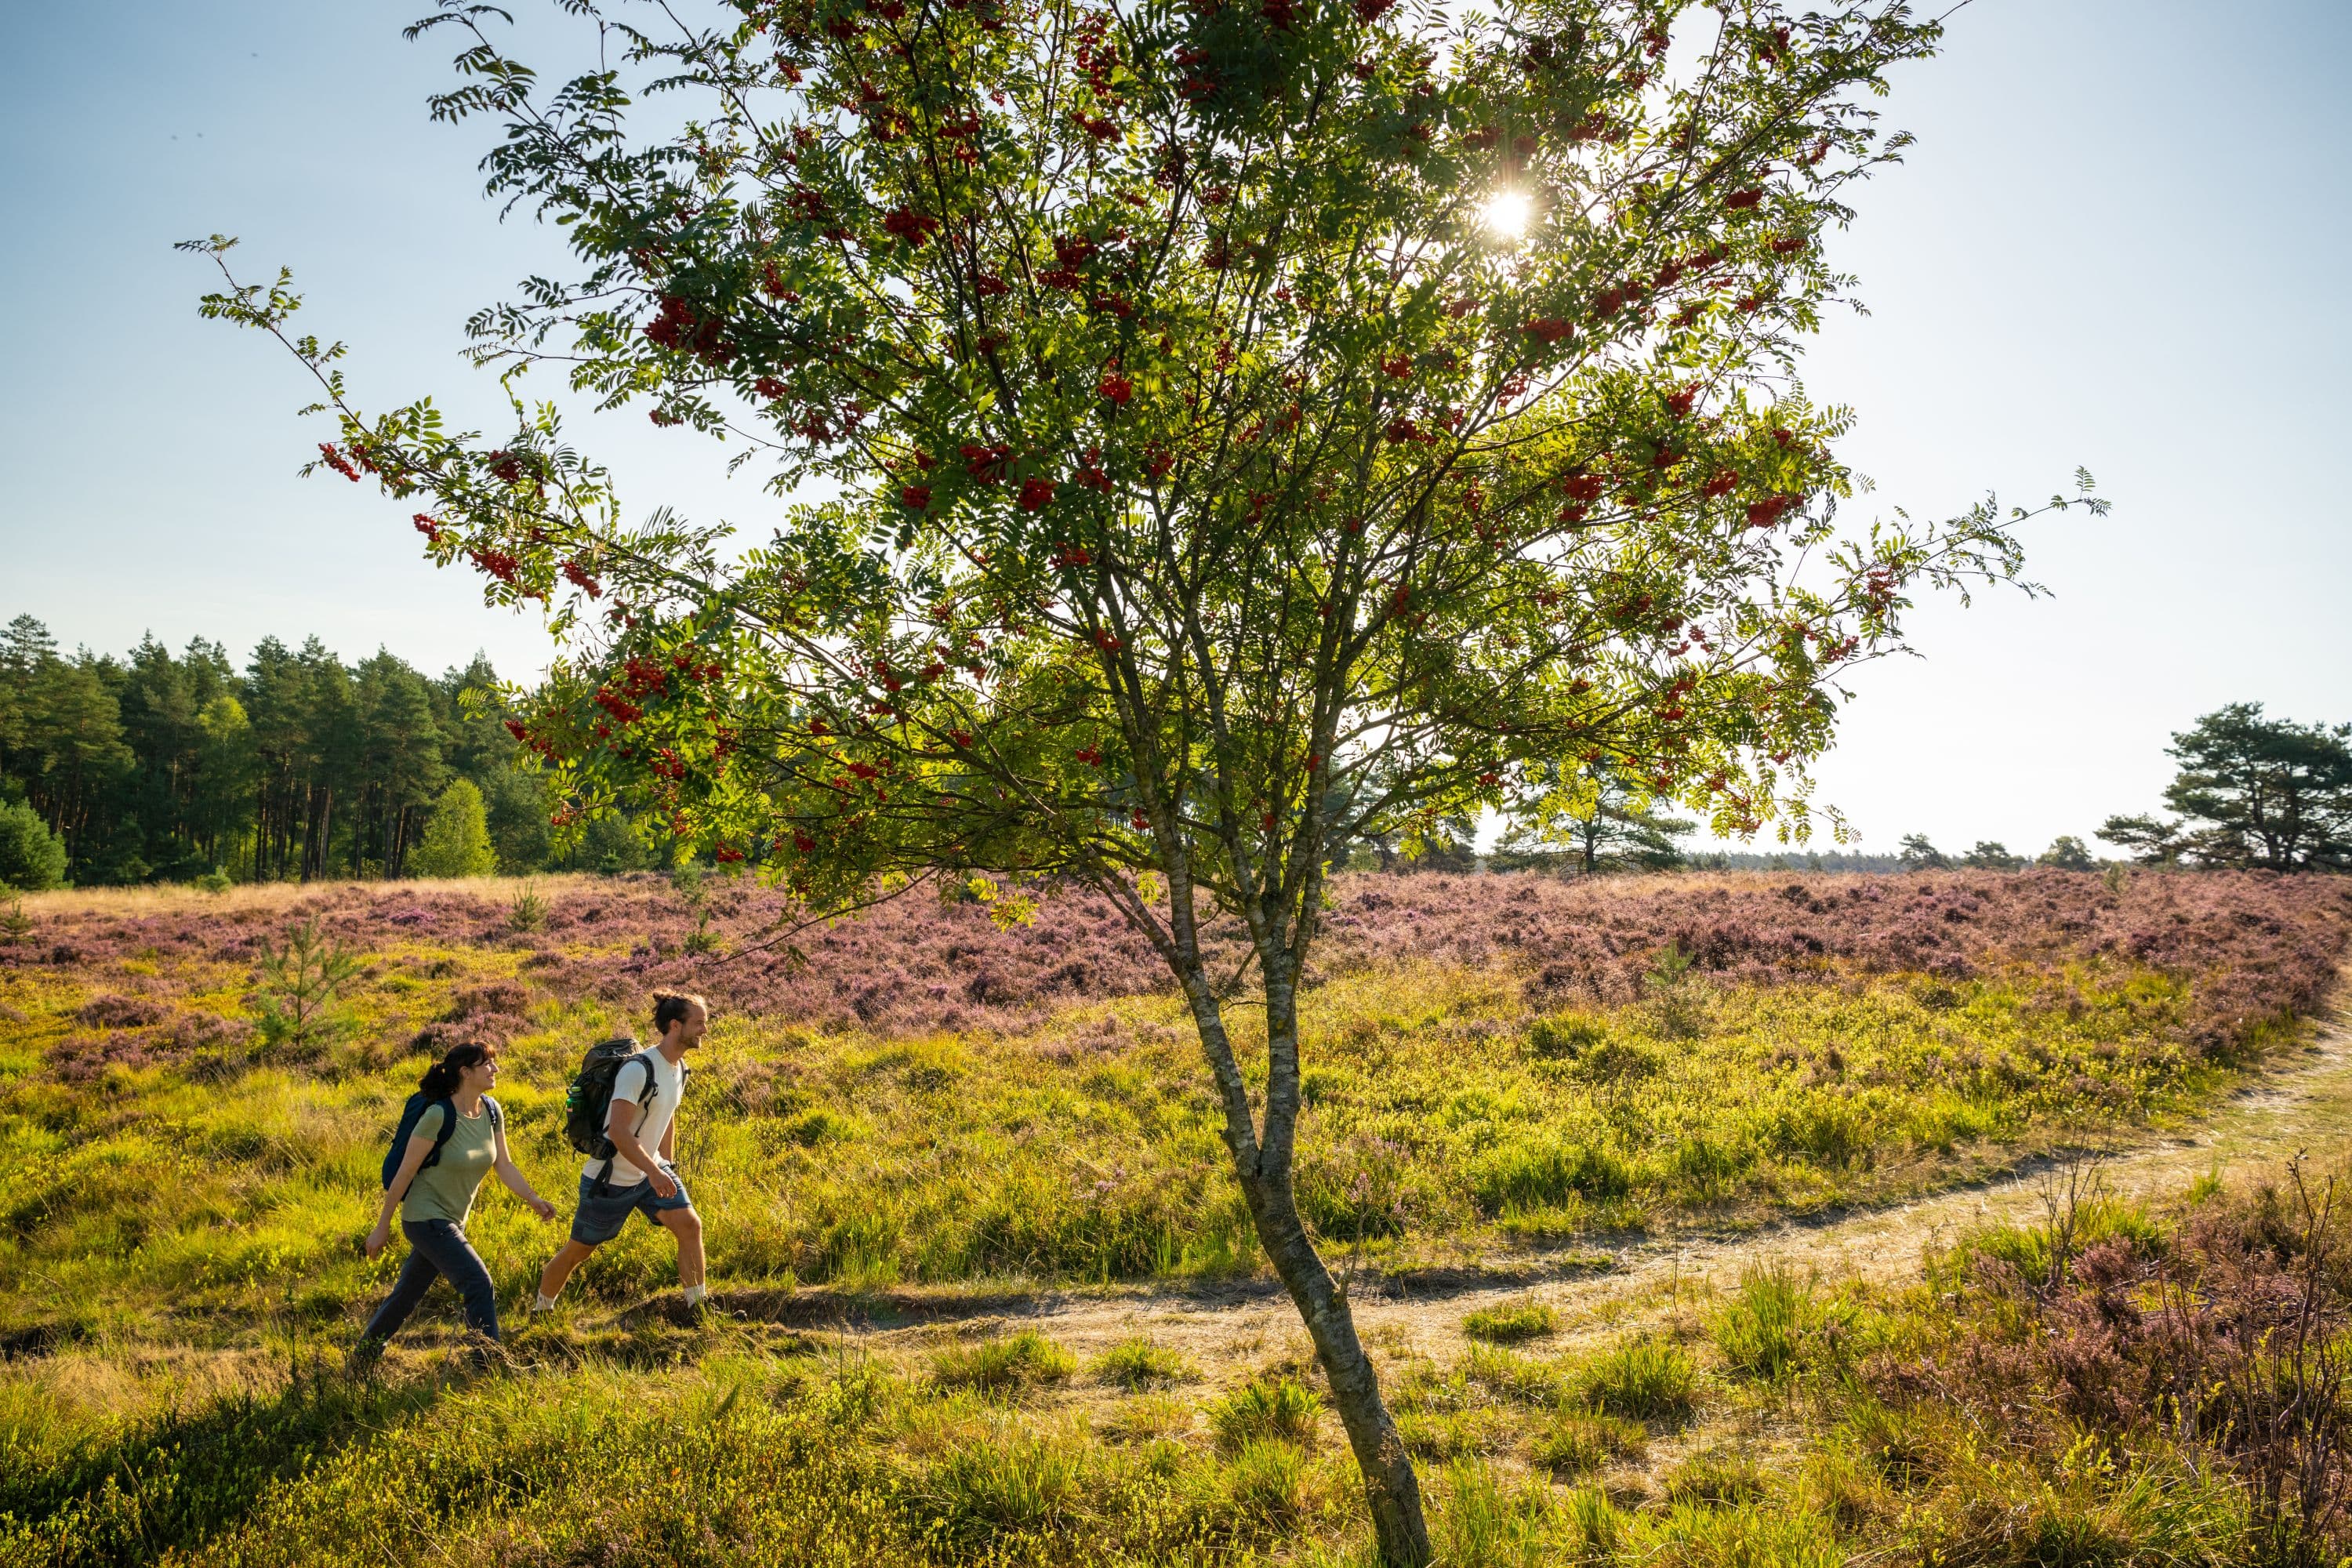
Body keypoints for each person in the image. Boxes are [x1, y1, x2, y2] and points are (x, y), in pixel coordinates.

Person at [359, 1041, 557, 1357]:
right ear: (466, 1072)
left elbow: (503, 1164)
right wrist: (382, 1227)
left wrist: (533, 1198)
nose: (495, 1069)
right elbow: (404, 1175)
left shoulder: (491, 1111)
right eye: (486, 1064)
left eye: (494, 1062)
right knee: (479, 1284)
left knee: (407, 1294)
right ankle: (487, 1363)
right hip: (425, 1219)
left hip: (452, 1220)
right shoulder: (438, 1115)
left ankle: (364, 1354)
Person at [534, 991, 710, 1315]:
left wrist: (665, 1165)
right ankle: (541, 1311)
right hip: (609, 1180)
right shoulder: (638, 1070)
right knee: (578, 1251)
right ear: (675, 1025)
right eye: (699, 1023)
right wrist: (656, 1173)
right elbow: (617, 1131)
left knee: (689, 1225)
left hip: (650, 1172)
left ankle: (698, 1310)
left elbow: (666, 1114)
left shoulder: (679, 1069)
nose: (705, 1030)